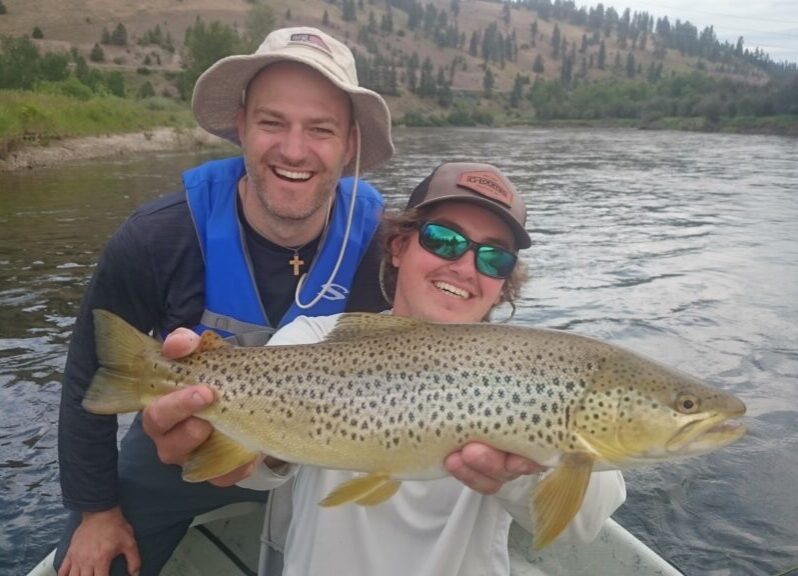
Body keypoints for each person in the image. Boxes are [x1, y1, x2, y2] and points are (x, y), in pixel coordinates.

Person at [152, 162, 627, 575]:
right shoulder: (314, 341)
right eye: (443, 239)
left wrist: (514, 469)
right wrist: (215, 434)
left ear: (503, 285)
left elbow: (586, 521)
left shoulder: (534, 371)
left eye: (493, 256)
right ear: (399, 247)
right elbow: (254, 470)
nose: (464, 266)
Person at [54, 26, 395, 576]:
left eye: (321, 129)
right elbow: (87, 378)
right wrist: (96, 510)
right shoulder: (156, 238)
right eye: (271, 122)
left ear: (350, 143)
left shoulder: (386, 248)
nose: (293, 149)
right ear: (241, 126)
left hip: (330, 455)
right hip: (181, 448)